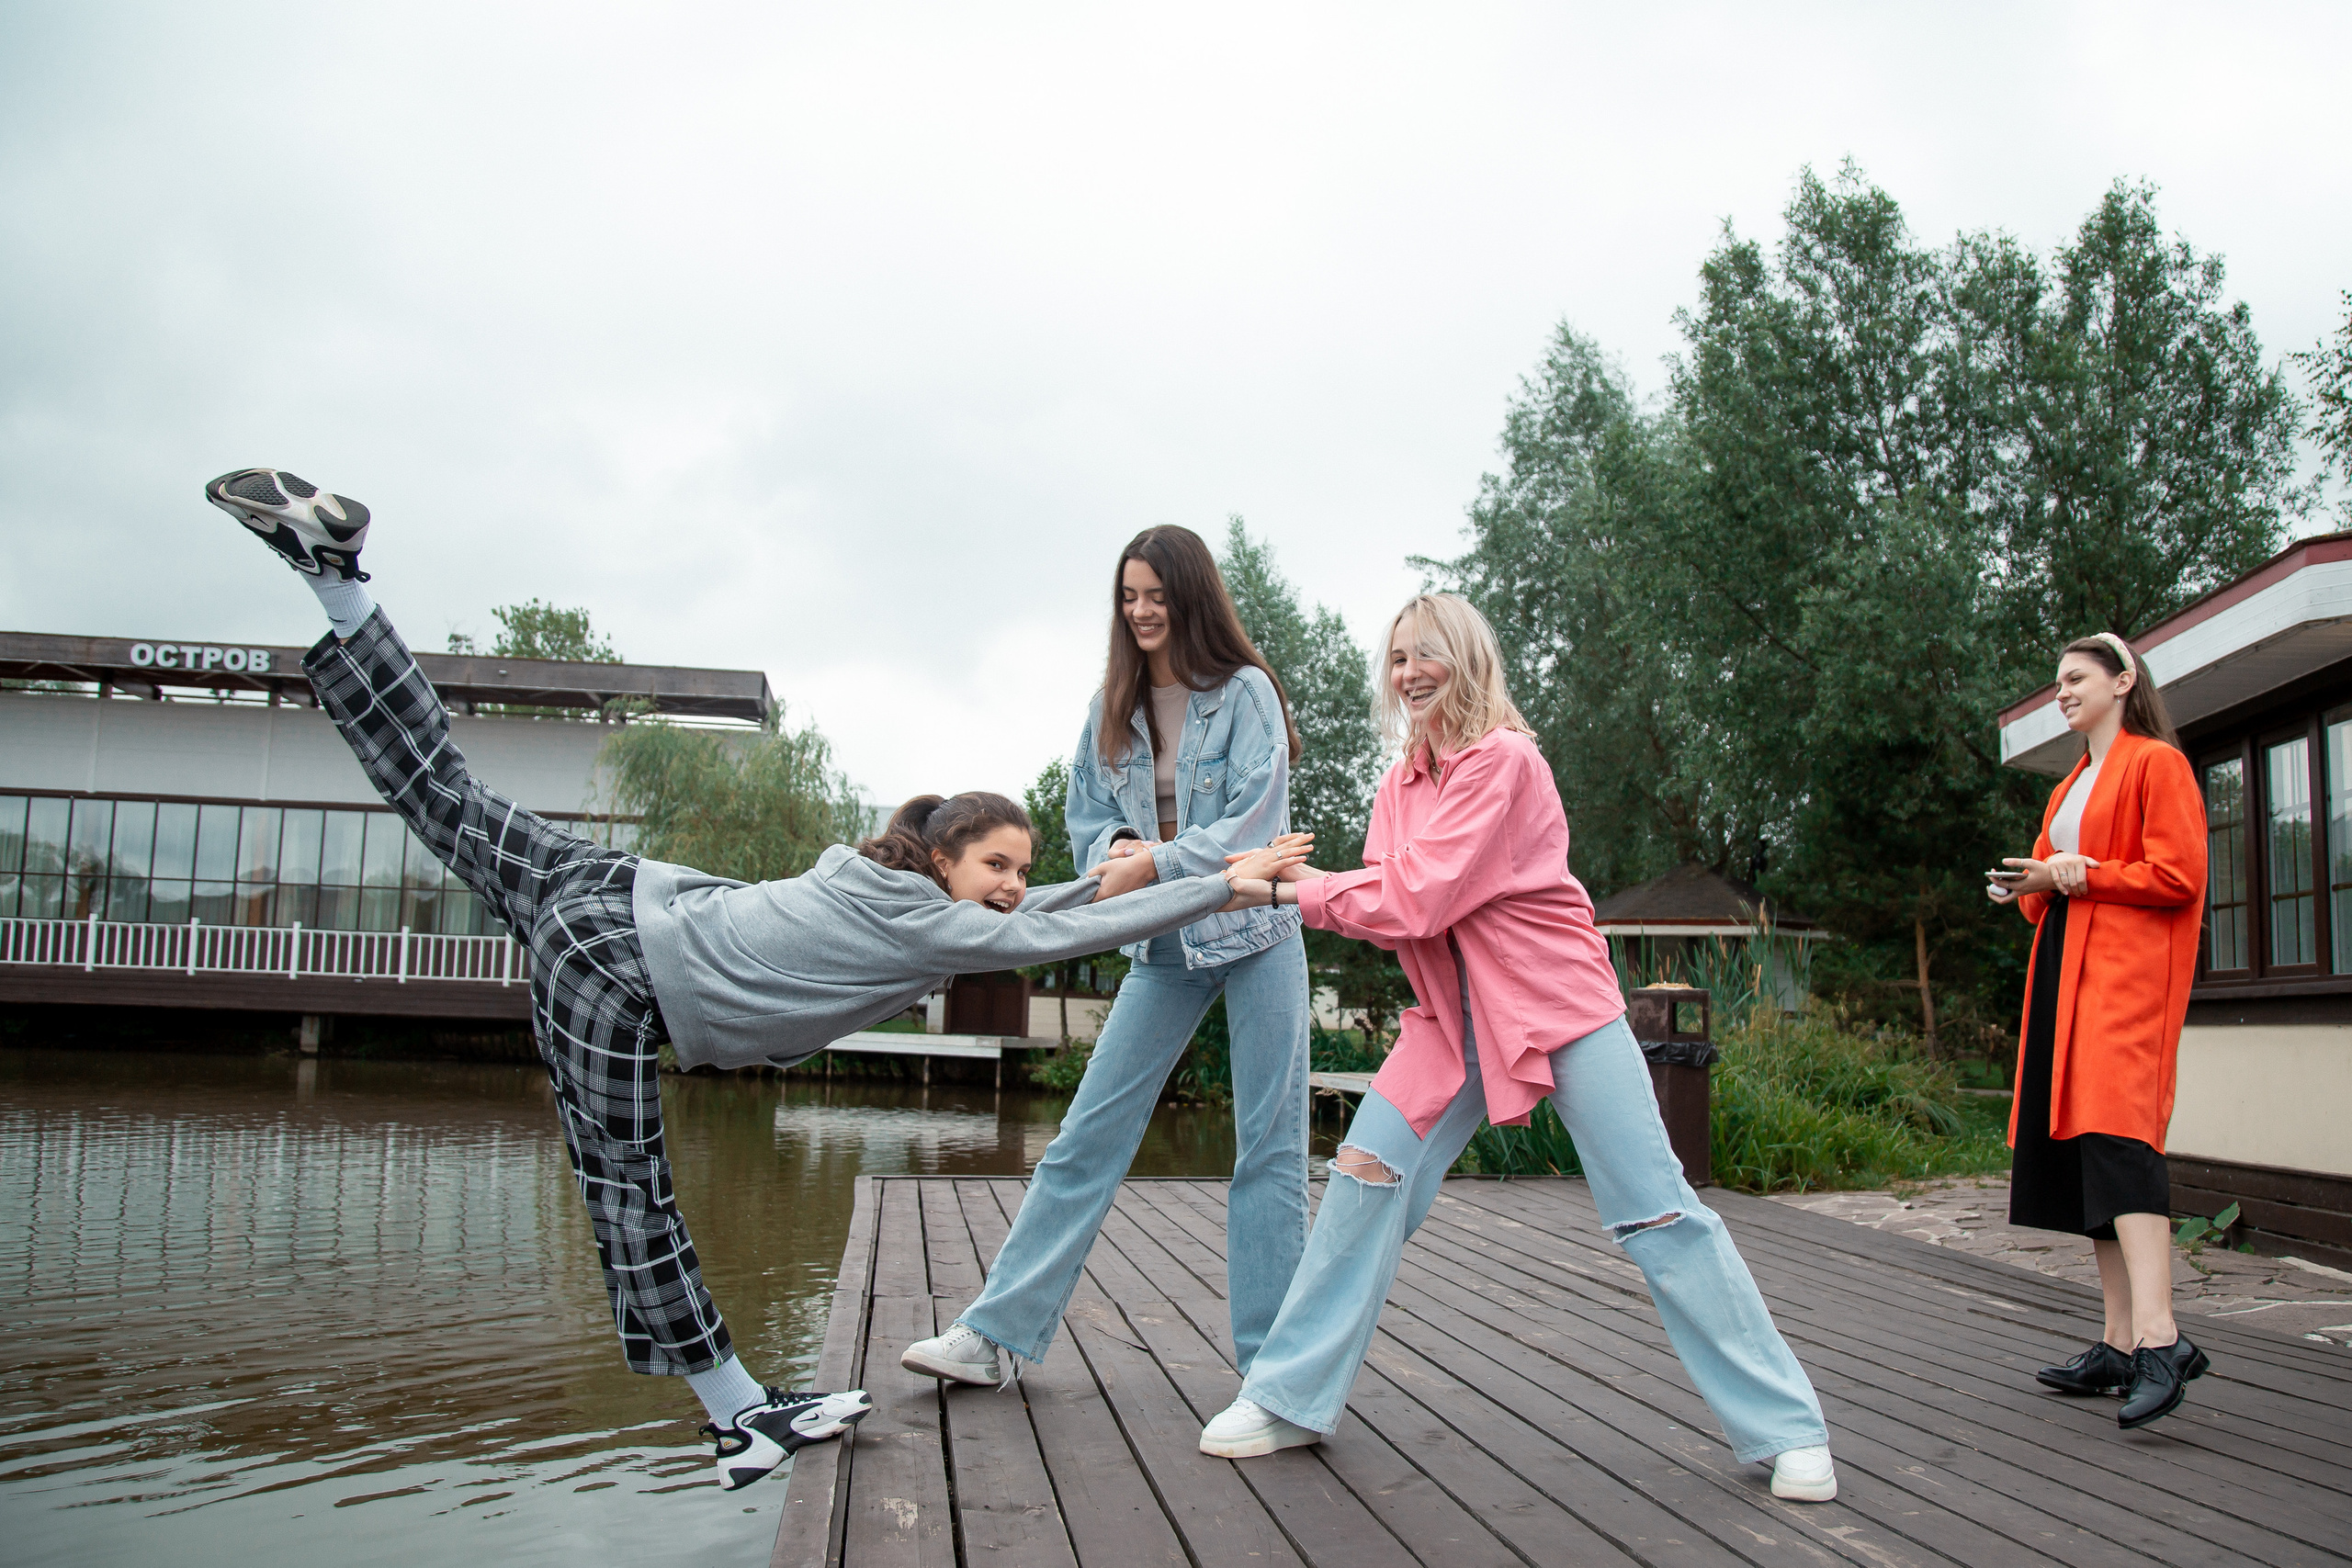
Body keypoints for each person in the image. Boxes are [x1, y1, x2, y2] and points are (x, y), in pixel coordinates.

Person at [202, 468, 1307, 1492]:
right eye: (1000, 869)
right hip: (616, 973)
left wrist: (1180, 874)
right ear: (942, 861)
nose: (1022, 884)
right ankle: (742, 1413)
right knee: (631, 1199)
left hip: (617, 892)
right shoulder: (941, 913)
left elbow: (1056, 905)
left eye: (1157, 595)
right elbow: (1052, 922)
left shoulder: (892, 872)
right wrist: (1206, 878)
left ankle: (340, 588)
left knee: (439, 792)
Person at [1196, 592, 1840, 1505]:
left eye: (1428, 655)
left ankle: (1786, 1429)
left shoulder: (1504, 760)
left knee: (1658, 1213)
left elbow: (1415, 897)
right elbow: (1389, 903)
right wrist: (1312, 882)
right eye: (1397, 659)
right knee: (1362, 1183)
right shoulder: (1397, 784)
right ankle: (1288, 1398)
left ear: (1467, 660)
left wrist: (1283, 893)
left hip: (1557, 1010)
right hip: (1447, 1023)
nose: (1410, 673)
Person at [902, 525, 1316, 1388]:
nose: (1141, 612)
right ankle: (995, 1334)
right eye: (1129, 597)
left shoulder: (1247, 694)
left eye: (1157, 596)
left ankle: (1274, 1376)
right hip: (1161, 945)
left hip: (1256, 931)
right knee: (1085, 1136)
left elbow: (1254, 818)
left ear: (1191, 597)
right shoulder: (1109, 706)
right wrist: (1123, 847)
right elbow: (1087, 816)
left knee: (1269, 1150)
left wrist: (1154, 860)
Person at [1987, 631, 2209, 1428]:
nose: (2064, 691)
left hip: (2124, 983)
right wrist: (2026, 885)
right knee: (2081, 1146)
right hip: (2064, 976)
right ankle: (2117, 1340)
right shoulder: (2070, 786)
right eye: (2058, 682)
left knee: (2120, 1141)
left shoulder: (2156, 764)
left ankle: (2162, 1338)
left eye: (2077, 677)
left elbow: (2178, 874)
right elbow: (2051, 885)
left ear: (2124, 680)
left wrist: (2075, 872)